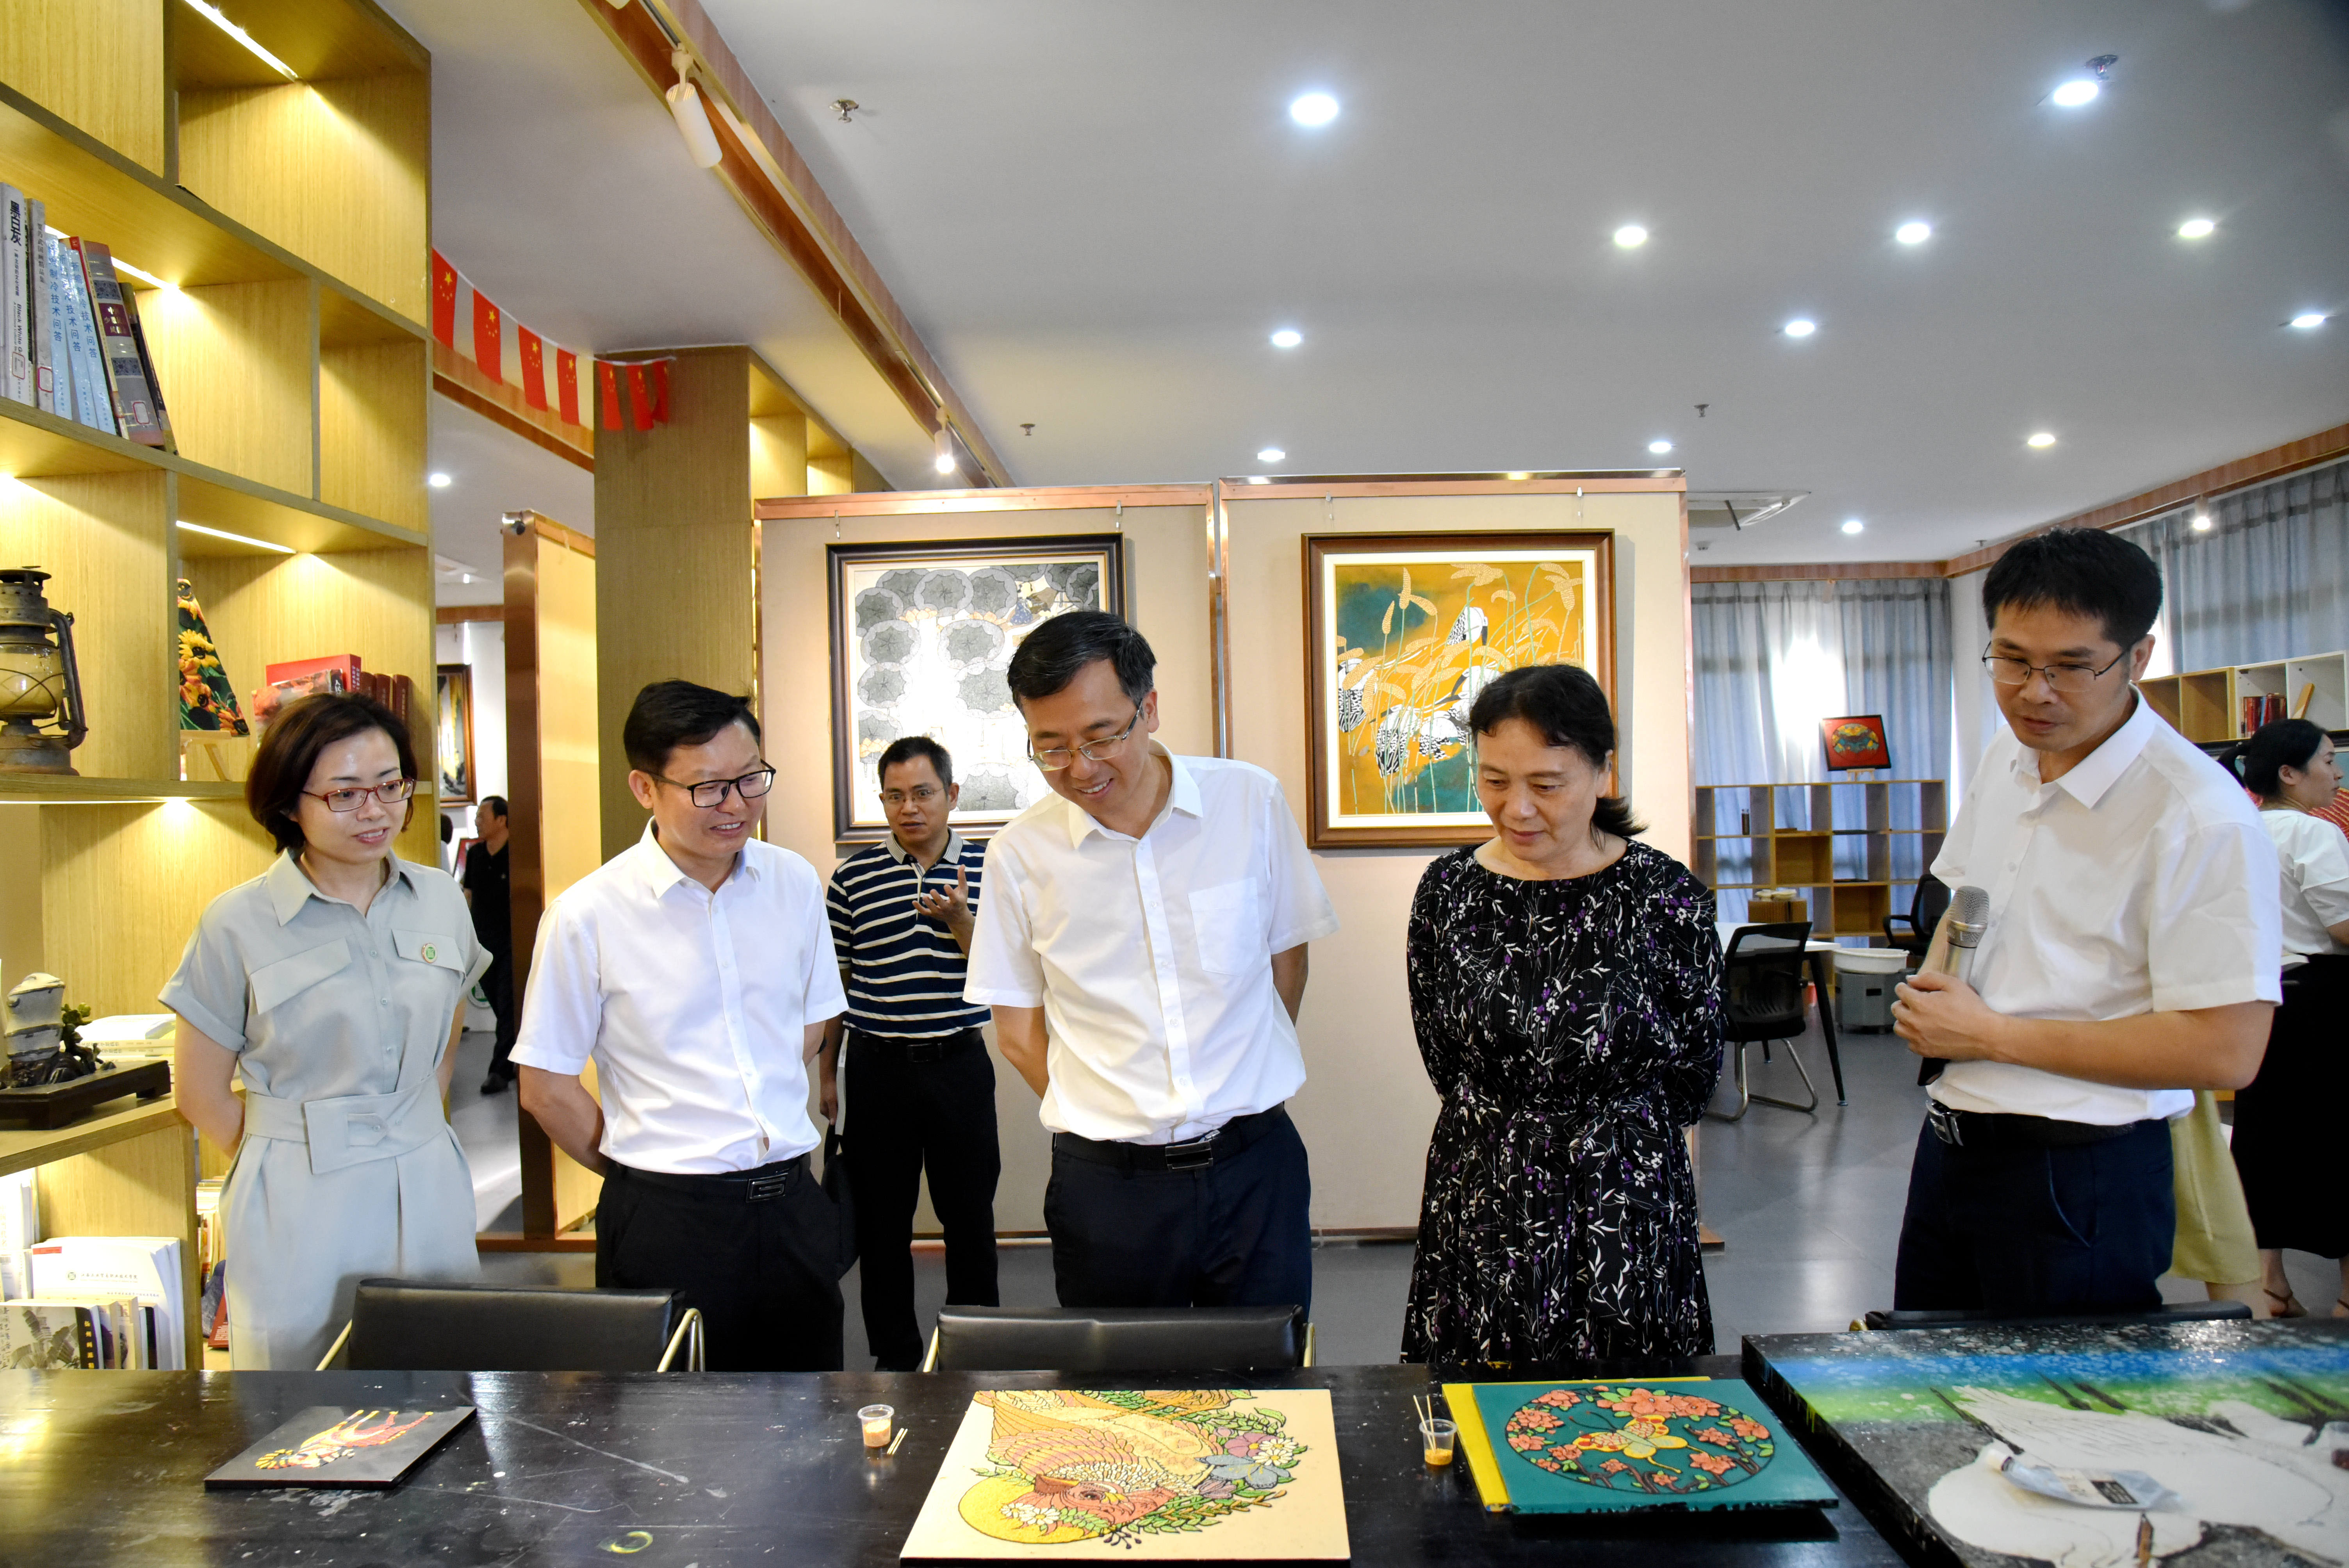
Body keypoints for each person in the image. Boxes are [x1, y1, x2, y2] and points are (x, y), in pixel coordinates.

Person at [1891, 527, 2279, 1315]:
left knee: (2058, 1394)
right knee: (1925, 1380)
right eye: (2011, 659)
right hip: (1953, 1143)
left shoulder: (2196, 815)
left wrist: (1990, 1034)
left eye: (2071, 666)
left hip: (2079, 1172)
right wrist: (1934, 995)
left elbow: (2226, 1049)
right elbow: (1966, 894)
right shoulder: (2007, 755)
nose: (2033, 692)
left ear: (2138, 657)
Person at [965, 611, 1339, 1310]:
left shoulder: (1247, 802)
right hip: (1109, 1189)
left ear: (1151, 709)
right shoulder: (1020, 854)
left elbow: (1287, 959)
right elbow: (1016, 1032)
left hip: (1254, 1167)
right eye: (1051, 748)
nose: (1081, 768)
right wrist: (1108, 1106)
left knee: (1266, 1367)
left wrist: (1238, 1069)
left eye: (1102, 736)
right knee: (1120, 1376)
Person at [512, 681, 849, 1371]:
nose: (737, 805)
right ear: (645, 788)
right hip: (669, 1221)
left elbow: (813, 1022)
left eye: (751, 778)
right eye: (708, 788)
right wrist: (644, 1171)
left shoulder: (792, 882)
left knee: (811, 1410)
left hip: (792, 1205)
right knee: (670, 1422)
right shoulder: (588, 915)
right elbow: (546, 1089)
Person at [1400, 664, 1723, 1367]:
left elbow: (1696, 1069)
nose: (1517, 809)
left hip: (1625, 1194)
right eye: (1494, 780)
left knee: (1634, 1410)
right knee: (1482, 1403)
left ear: (1604, 773)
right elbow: (1443, 1056)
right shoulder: (1448, 893)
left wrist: (1609, 1128)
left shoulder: (1665, 897)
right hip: (1488, 1188)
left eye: (1546, 785)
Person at [164, 692, 487, 1370]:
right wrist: (285, 1152)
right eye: (345, 794)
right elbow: (198, 1092)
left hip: (427, 1172)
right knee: (302, 1389)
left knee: (440, 1374)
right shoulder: (237, 922)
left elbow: (447, 1029)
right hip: (297, 1190)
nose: (375, 811)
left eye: (390, 786)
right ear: (289, 804)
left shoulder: (439, 899)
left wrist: (405, 1121)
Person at [822, 736, 999, 1370]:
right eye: (894, 796)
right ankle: (894, 1359)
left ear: (951, 795)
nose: (910, 808)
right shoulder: (853, 878)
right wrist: (828, 1077)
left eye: (923, 793)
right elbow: (836, 987)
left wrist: (961, 920)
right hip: (878, 1071)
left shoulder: (989, 868)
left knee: (970, 1219)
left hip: (959, 1065)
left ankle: (974, 1351)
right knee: (882, 1225)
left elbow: (1006, 972)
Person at [2222, 720, 2349, 1318]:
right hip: (2323, 1002)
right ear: (2289, 774)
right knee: (2338, 1140)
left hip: (2258, 998)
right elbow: (2343, 926)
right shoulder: (2312, 832)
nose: (2338, 774)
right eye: (2328, 761)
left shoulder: (2240, 830)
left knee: (2264, 1136)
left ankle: (2271, 1284)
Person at [463, 795, 517, 1094]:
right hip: (483, 944)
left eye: (482, 817)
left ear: (501, 820)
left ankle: (499, 1071)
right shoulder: (475, 855)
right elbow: (468, 895)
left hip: (512, 943)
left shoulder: (518, 852)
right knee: (500, 1005)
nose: (477, 822)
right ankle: (515, 1060)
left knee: (508, 1005)